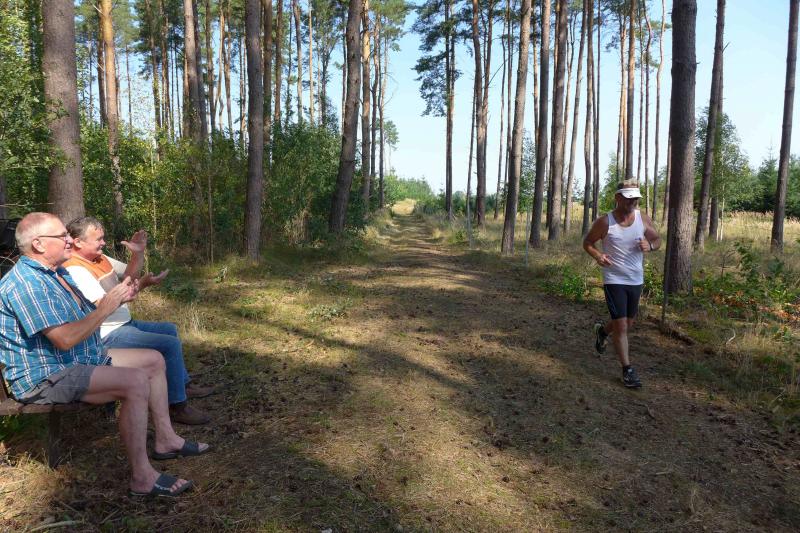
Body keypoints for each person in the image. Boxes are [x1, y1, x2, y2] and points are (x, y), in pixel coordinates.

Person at [0, 212, 209, 496]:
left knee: (154, 360)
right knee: (135, 381)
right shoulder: (27, 283)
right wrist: (107, 307)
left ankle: (166, 440)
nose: (69, 240)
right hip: (47, 374)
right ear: (38, 244)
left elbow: (83, 321)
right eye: (62, 236)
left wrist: (120, 297)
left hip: (75, 358)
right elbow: (64, 339)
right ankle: (142, 478)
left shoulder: (56, 273)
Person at [63, 217, 211, 425]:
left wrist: (138, 253)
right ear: (78, 242)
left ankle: (181, 385)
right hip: (106, 333)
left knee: (169, 329)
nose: (103, 242)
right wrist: (140, 286)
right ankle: (178, 406)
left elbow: (129, 277)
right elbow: (103, 305)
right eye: (98, 239)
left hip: (123, 323)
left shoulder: (98, 258)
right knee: (169, 344)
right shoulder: (75, 269)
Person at [583, 180, 661, 388]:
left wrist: (650, 245)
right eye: (628, 198)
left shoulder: (642, 218)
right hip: (614, 279)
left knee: (628, 323)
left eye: (635, 198)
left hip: (636, 279)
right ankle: (628, 370)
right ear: (618, 198)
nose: (632, 202)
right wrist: (598, 255)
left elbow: (657, 240)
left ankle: (602, 332)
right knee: (622, 325)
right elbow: (587, 242)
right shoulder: (605, 222)